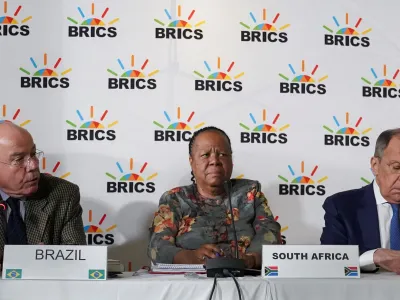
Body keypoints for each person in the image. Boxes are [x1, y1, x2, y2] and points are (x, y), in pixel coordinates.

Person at [147, 126, 281, 269]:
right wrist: (190, 258)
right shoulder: (175, 199)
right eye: (205, 155)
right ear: (191, 162)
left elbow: (270, 233)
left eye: (222, 154)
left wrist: (251, 259)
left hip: (245, 279)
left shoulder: (250, 194)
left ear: (231, 160)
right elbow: (157, 247)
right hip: (192, 282)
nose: (214, 161)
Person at [0, 122, 86, 266]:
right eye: (19, 159)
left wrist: (46, 263)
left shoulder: (63, 194)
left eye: (33, 154)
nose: (33, 165)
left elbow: (76, 263)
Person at [321, 128, 400, 273]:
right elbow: (329, 261)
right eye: (396, 167)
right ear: (375, 166)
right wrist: (373, 257)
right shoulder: (342, 206)